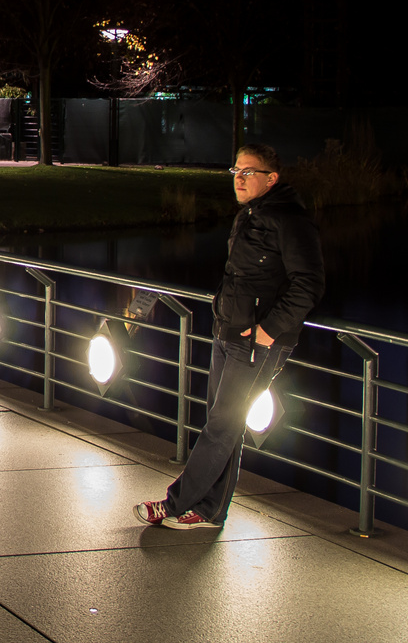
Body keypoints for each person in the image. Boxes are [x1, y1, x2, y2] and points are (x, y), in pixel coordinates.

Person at [135, 143, 325, 529]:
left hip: (257, 342)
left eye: (248, 172)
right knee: (225, 426)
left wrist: (268, 330)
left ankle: (173, 504)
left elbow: (309, 284)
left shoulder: (290, 221)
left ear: (271, 178)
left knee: (221, 426)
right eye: (235, 171)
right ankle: (209, 510)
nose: (238, 179)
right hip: (229, 331)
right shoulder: (252, 215)